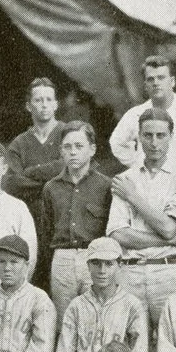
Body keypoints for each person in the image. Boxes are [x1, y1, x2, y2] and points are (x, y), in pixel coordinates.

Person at [105, 110, 176, 312]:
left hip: (169, 272)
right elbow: (117, 234)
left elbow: (170, 227)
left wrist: (132, 197)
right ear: (139, 137)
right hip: (130, 273)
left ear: (171, 137)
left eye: (160, 135)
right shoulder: (125, 179)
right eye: (148, 135)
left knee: (171, 342)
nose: (154, 142)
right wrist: (166, 240)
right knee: (132, 342)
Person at [38, 124, 112, 309]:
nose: (73, 152)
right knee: (64, 322)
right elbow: (46, 232)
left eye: (79, 146)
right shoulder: (51, 188)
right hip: (62, 259)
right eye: (67, 147)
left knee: (96, 316)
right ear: (61, 151)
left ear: (92, 149)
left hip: (94, 259)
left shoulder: (105, 186)